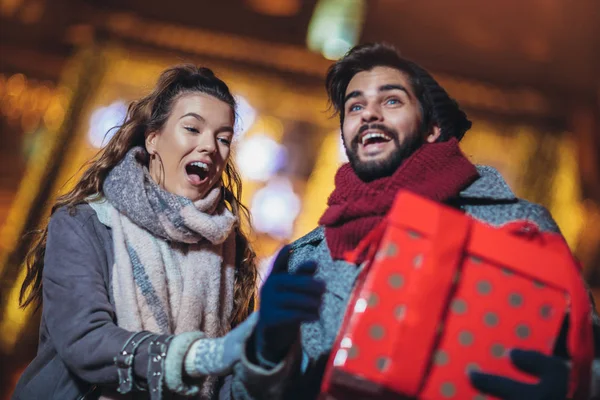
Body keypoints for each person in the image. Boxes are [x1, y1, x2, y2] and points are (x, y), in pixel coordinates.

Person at [225, 43, 600, 399]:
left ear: (432, 128)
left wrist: (577, 386)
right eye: (354, 107)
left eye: (391, 100)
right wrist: (264, 352)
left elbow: (589, 351)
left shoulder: (518, 227)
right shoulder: (307, 258)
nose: (369, 114)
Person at [13, 65, 259, 400]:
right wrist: (192, 356)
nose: (209, 147)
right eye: (192, 128)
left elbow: (227, 376)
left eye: (223, 138)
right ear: (153, 138)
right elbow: (85, 340)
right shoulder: (84, 224)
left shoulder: (229, 249)